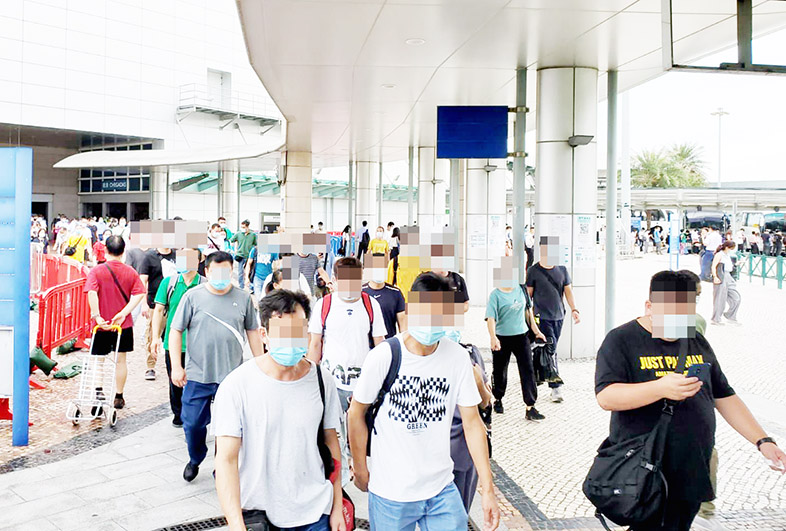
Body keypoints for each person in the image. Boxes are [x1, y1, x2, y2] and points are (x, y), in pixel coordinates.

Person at [594, 270, 786, 531]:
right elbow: (607, 396)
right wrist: (659, 388)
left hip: (692, 467)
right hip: (646, 469)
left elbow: (724, 395)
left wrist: (763, 441)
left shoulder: (695, 339)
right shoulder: (621, 340)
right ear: (649, 307)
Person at [347, 272, 501, 531]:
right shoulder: (384, 356)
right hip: (391, 493)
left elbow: (472, 423)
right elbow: (356, 413)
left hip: (441, 490)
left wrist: (488, 488)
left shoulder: (457, 358)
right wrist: (360, 467)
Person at [213, 289, 346, 531]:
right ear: (264, 335)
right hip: (261, 516)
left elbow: (331, 443)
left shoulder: (321, 379)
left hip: (317, 513)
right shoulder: (236, 386)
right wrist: (236, 524)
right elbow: (225, 460)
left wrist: (337, 506)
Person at [169, 251, 263, 482]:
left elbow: (252, 331)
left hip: (231, 376)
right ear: (207, 271)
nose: (221, 276)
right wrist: (176, 366)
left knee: (228, 426)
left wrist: (261, 364)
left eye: (226, 271)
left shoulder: (243, 298)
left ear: (231, 271)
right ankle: (195, 457)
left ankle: (222, 463)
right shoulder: (192, 297)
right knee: (192, 423)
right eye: (216, 271)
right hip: (198, 374)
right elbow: (176, 330)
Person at [308, 257, 386, 485]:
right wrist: (311, 377)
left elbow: (380, 344)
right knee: (332, 430)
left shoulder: (371, 305)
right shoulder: (324, 305)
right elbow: (315, 343)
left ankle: (356, 462)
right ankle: (338, 475)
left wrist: (383, 378)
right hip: (331, 381)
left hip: (363, 384)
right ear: (334, 280)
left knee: (359, 427)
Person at [84, 236, 146, 410]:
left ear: (105, 250)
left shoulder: (97, 271)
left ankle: (98, 391)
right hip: (122, 324)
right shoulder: (130, 272)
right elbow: (140, 293)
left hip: (101, 324)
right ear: (123, 251)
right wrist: (124, 313)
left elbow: (91, 292)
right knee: (121, 360)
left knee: (99, 360)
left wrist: (97, 316)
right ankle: (119, 396)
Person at [487, 256, 547, 420]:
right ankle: (498, 398)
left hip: (521, 336)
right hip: (502, 337)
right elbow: (491, 318)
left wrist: (536, 331)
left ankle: (530, 406)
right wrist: (493, 337)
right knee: (500, 371)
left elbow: (528, 312)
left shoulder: (521, 290)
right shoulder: (495, 295)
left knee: (527, 370)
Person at [151, 249, 205, 427]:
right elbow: (159, 310)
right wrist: (155, 337)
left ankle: (193, 416)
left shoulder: (205, 285)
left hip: (199, 344)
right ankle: (179, 414)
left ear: (199, 261)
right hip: (173, 344)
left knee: (197, 382)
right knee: (175, 381)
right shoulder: (169, 283)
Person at [526, 236, 580, 403]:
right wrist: (528, 318)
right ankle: (555, 387)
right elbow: (528, 296)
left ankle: (537, 373)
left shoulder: (562, 270)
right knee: (551, 349)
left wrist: (574, 309)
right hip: (541, 317)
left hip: (558, 316)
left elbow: (568, 292)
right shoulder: (533, 271)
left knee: (550, 348)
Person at [139, 246, 177, 380]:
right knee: (152, 334)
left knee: (174, 334)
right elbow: (143, 281)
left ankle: (174, 363)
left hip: (175, 303)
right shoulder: (149, 256)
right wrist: (143, 303)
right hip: (155, 303)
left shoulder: (179, 255)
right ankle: (150, 366)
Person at [362, 254, 406, 339]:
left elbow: (403, 328)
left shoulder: (395, 293)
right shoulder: (360, 292)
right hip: (364, 344)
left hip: (388, 343)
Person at [711, 241, 741, 326]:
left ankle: (730, 315)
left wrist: (736, 264)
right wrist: (715, 276)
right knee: (720, 298)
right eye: (731, 248)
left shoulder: (727, 255)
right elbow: (713, 266)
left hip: (729, 276)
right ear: (727, 247)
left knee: (736, 298)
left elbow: (729, 267)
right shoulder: (719, 255)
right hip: (721, 275)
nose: (731, 250)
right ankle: (716, 319)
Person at [229, 220, 257, 290]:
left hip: (249, 255)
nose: (243, 228)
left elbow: (256, 244)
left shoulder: (253, 235)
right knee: (240, 272)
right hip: (240, 255)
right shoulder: (238, 234)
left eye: (244, 227)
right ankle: (241, 286)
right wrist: (234, 248)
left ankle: (250, 286)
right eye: (242, 227)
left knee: (250, 271)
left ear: (247, 227)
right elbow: (231, 240)